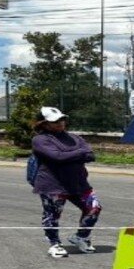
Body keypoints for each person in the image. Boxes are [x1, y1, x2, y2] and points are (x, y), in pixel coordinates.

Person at [31, 107, 102, 258]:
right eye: (55, 121)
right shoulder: (40, 140)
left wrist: (71, 155)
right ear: (44, 124)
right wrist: (80, 153)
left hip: (79, 183)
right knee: (52, 215)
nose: (60, 123)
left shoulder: (74, 138)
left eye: (62, 120)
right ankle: (54, 243)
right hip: (52, 185)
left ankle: (81, 237)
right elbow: (57, 157)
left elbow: (91, 155)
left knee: (94, 208)